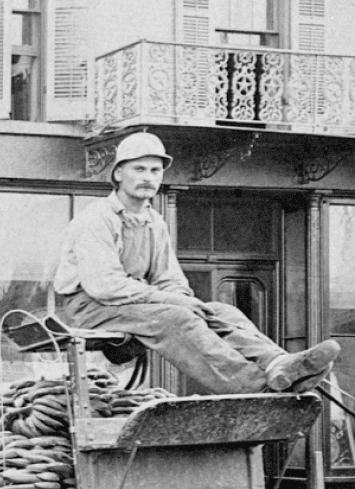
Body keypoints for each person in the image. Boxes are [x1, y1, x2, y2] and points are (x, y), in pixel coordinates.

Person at [54, 132, 340, 394]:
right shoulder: (96, 218)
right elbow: (104, 286)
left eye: (155, 171)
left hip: (129, 305)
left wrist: (186, 300)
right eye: (138, 169)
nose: (148, 178)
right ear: (118, 173)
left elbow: (169, 278)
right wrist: (174, 303)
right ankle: (256, 387)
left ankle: (279, 364)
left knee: (219, 311)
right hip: (88, 307)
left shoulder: (154, 222)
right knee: (176, 319)